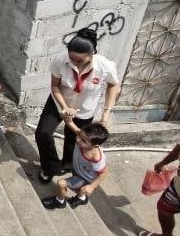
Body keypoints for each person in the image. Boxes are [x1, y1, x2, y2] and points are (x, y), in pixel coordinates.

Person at [35, 28, 120, 183]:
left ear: (91, 54)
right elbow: (55, 86)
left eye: (79, 61)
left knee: (74, 140)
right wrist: (64, 108)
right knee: (43, 133)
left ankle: (68, 164)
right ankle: (50, 167)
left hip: (84, 108)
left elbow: (113, 85)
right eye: (72, 59)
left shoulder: (105, 66)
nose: (74, 63)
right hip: (59, 101)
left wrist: (106, 111)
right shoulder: (60, 60)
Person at [42, 120, 109, 209]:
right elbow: (73, 126)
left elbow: (105, 173)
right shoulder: (83, 136)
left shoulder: (96, 159)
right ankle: (81, 198)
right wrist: (68, 119)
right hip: (78, 170)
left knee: (61, 183)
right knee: (80, 190)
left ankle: (59, 201)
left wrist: (92, 186)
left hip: (84, 178)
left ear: (95, 146)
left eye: (83, 141)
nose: (78, 140)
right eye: (79, 135)